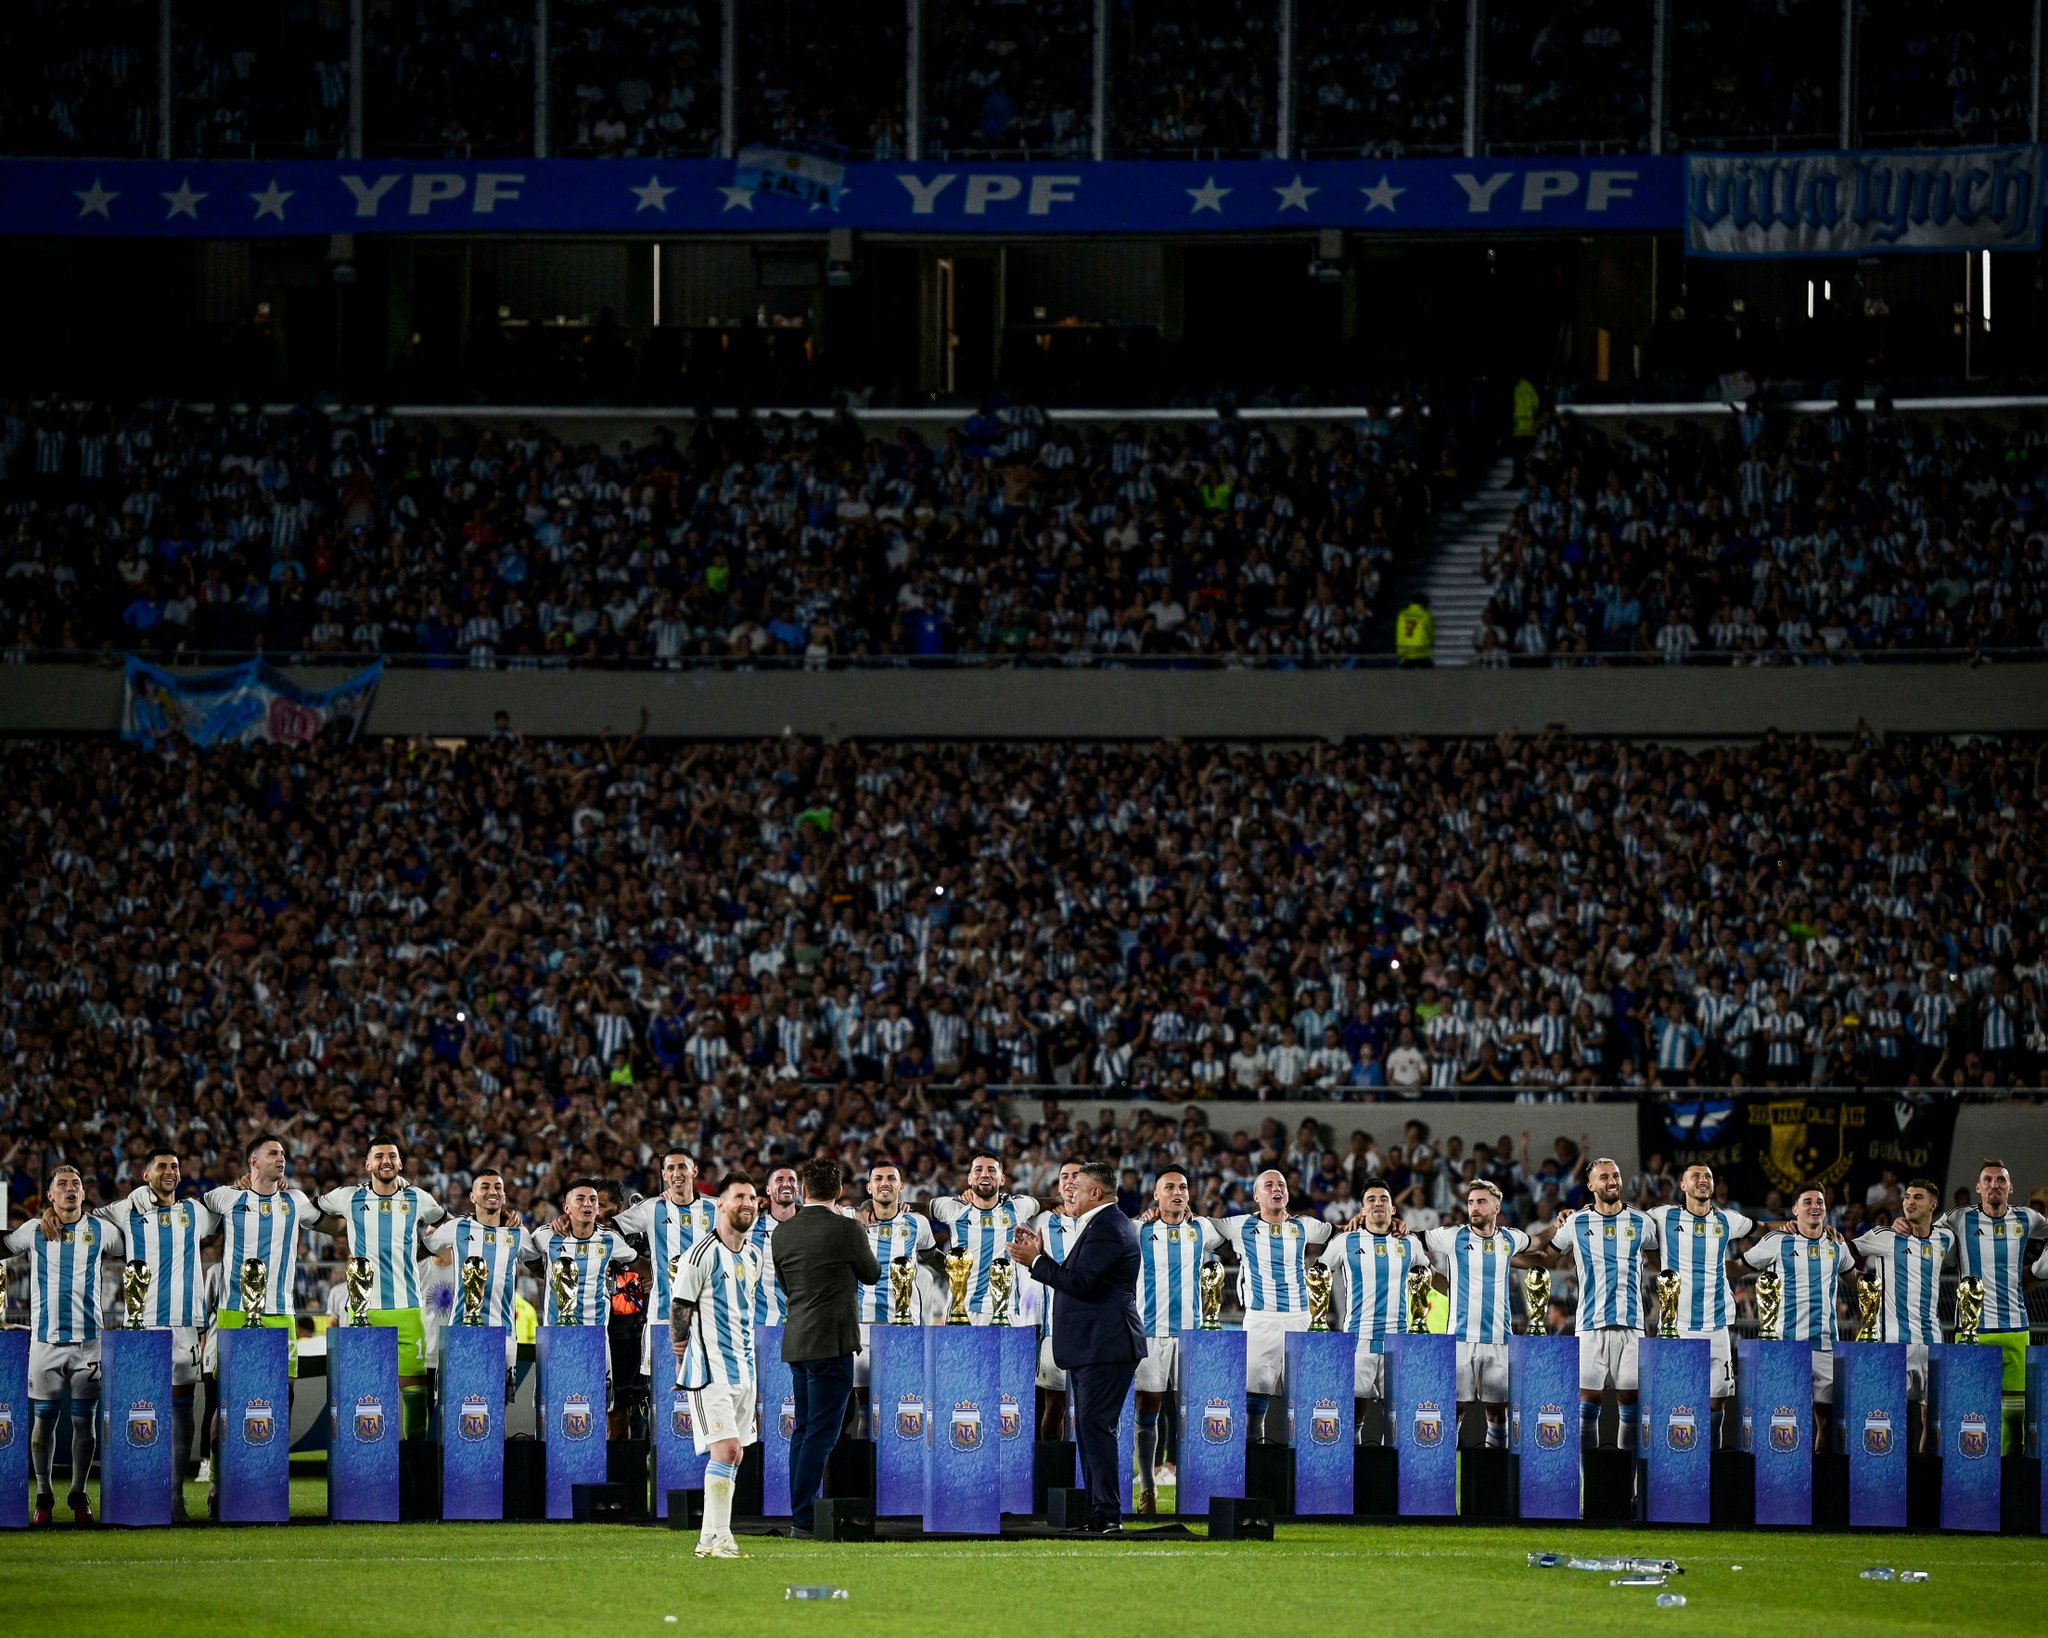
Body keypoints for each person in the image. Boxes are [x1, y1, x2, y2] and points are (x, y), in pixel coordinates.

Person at [201, 1134, 339, 1511]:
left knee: (284, 1395)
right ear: (253, 1163)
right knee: (225, 1400)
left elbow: (336, 1228)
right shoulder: (226, 1198)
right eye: (273, 1153)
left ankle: (266, 1473)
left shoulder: (295, 1201)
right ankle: (216, 1482)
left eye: (283, 1152)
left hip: (281, 1313)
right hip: (234, 1311)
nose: (282, 1158)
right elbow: (192, 1216)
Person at [1009, 1160, 1142, 1536]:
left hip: (1107, 1345)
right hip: (1096, 1345)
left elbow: (1080, 1284)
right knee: (1089, 1429)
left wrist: (1035, 1261)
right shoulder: (1103, 1224)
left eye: (1078, 1187)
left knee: (1096, 1428)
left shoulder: (1108, 1228)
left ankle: (1108, 1514)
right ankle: (1099, 1511)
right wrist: (1042, 1255)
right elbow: (1080, 1279)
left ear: (1095, 1193)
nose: (1070, 1192)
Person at [100, 1147, 218, 1519]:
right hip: (142, 1327)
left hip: (184, 1326)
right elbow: (87, 1221)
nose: (170, 1172)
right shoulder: (126, 1210)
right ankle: (136, 1493)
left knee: (180, 1412)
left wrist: (244, 1183)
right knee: (139, 1413)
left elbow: (230, 1208)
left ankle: (174, 1497)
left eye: (175, 1167)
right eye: (162, 1167)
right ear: (145, 1174)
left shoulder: (194, 1212)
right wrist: (54, 1215)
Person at [4, 1165, 125, 1526]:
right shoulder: (33, 1231)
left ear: (84, 1194)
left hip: (89, 1342)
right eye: (62, 1185)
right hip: (45, 1342)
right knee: (44, 1422)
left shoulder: (101, 1230)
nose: (71, 1189)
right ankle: (43, 1494)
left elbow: (137, 1243)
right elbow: (3, 1246)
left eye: (76, 1184)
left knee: (84, 1424)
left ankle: (78, 1491)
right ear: (50, 1196)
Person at [771, 1157, 880, 1538]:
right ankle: (802, 1519)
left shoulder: (781, 1233)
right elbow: (872, 1273)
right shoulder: (848, 1228)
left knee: (804, 1430)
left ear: (803, 1190)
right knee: (820, 1432)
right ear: (838, 1192)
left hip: (798, 1340)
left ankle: (799, 1513)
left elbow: (786, 1286)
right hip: (831, 1343)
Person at [313, 1135, 448, 1438]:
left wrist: (424, 1249)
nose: (385, 1161)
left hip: (408, 1308)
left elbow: (447, 1223)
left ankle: (413, 1466)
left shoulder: (418, 1198)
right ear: (367, 1164)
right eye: (379, 1156)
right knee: (363, 1391)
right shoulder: (348, 1197)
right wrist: (341, 1227)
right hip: (365, 1310)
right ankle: (366, 1462)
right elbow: (309, 1213)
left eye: (392, 1156)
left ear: (400, 1162)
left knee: (415, 1392)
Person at [1420, 1178, 1558, 1450]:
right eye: (1471, 1202)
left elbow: (1539, 1241)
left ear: (1496, 1207)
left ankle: (1492, 1478)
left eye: (1481, 1201)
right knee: (1453, 1410)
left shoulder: (1509, 1238)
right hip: (1460, 1340)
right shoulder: (1453, 1236)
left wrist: (1559, 1224)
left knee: (1497, 1413)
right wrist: (1396, 1225)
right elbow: (1415, 1238)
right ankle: (1445, 1478)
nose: (1474, 1207)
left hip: (1498, 1340)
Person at [672, 1173, 765, 1561]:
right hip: (710, 1371)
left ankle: (707, 1540)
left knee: (736, 1454)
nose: (748, 1203)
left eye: (753, 1197)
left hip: (745, 1369)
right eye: (739, 1196)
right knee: (725, 1449)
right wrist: (684, 1356)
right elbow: (680, 1309)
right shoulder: (700, 1254)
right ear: (721, 1205)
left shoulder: (755, 1255)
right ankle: (723, 1537)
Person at [1212, 1170, 1334, 1441]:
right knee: (1254, 1409)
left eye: (1281, 1184)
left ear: (1287, 1194)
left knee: (1306, 1404)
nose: (1276, 1188)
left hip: (1301, 1320)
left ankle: (1301, 1474)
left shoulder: (1305, 1226)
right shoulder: (1238, 1225)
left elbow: (1340, 1234)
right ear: (1256, 1196)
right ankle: (1256, 1474)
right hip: (1260, 1322)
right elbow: (1198, 1225)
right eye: (1268, 1185)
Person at [1549, 1157, 1660, 1450]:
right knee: (1586, 1405)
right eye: (1604, 1177)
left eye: (1616, 1175)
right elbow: (1549, 1254)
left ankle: (1628, 1486)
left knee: (1631, 1406)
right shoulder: (1576, 1221)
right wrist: (1509, 1253)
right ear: (1590, 1185)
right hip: (1590, 1326)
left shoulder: (1643, 1222)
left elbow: (1663, 1257)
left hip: (1632, 1326)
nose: (1612, 1181)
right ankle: (1591, 1487)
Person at [1643, 1163, 1757, 1448]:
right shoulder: (1663, 1216)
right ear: (1682, 1185)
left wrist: (1794, 1226)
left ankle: (1711, 1465)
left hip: (1717, 1325)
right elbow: (1626, 1222)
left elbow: (1762, 1226)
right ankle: (1675, 1470)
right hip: (1677, 1326)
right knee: (1675, 1403)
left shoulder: (1727, 1220)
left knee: (1716, 1403)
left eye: (1707, 1176)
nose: (1703, 1180)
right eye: (1695, 1176)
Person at [1937, 1160, 2046, 1454]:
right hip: (1972, 1330)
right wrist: (1901, 1223)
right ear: (1978, 1187)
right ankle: (1971, 1475)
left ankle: (2012, 1477)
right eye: (1988, 1180)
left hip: (2015, 1329)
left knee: (2015, 1413)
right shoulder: (1959, 1218)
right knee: (1969, 1408)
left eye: (2000, 1181)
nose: (1994, 1185)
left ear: (2010, 1188)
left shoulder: (2027, 1218)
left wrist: (2038, 1270)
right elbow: (1925, 1231)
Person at [1132, 1166, 1221, 1513]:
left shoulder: (1204, 1229)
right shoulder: (1138, 1230)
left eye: (1182, 1186)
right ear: (1156, 1195)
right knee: (1148, 1408)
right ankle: (1148, 1488)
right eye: (1169, 1187)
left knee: (1192, 1411)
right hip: (1150, 1333)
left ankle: (1195, 1488)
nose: (1177, 1192)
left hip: (1192, 1335)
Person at [1743, 1185, 1860, 1450]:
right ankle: (1787, 1483)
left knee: (1827, 1420)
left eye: (1819, 1201)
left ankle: (1818, 1483)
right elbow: (1738, 1268)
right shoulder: (1777, 1241)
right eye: (1807, 1202)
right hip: (1787, 1346)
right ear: (1795, 1210)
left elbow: (1856, 1282)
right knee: (1787, 1419)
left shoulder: (1836, 1245)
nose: (1815, 1206)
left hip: (1826, 1346)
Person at [1321, 1177, 1430, 1447]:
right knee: (1354, 1410)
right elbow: (1318, 1277)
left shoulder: (1410, 1244)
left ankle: (1391, 1473)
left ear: (1394, 1209)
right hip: (1358, 1342)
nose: (1378, 1203)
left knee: (1398, 1414)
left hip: (1399, 1341)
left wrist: (1455, 1288)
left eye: (1384, 1199)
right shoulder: (1344, 1242)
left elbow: (1427, 1275)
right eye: (1371, 1199)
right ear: (1362, 1210)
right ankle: (1355, 1471)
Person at [1853, 1176, 1955, 1452]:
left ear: (1933, 1205)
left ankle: (1926, 1481)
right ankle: (1891, 1482)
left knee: (1933, 1420)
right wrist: (1861, 1283)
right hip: (1894, 1343)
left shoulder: (1945, 1238)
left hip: (1932, 1341)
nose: (1909, 1202)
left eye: (1917, 1197)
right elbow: (1842, 1251)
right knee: (1889, 1418)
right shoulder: (1885, 1236)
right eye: (1907, 1196)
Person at [613, 1151, 718, 1384]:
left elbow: (748, 1218)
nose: (676, 1173)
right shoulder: (651, 1208)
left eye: (682, 1167)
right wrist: (634, 1261)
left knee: (708, 1391)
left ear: (694, 1171)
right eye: (670, 1168)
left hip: (707, 1319)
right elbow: (611, 1228)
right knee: (663, 1396)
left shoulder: (716, 1209)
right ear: (664, 1175)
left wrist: (760, 1203)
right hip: (662, 1318)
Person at [421, 1170, 533, 1372]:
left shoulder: (518, 1233)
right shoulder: (457, 1228)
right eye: (485, 1187)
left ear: (504, 1196)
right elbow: (420, 1251)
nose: (493, 1191)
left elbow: (543, 1265)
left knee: (496, 1402)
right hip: (460, 1332)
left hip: (503, 1333)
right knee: (458, 1401)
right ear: (472, 1196)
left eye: (498, 1187)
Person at [927, 1153, 1038, 1322]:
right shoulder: (954, 1208)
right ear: (970, 1179)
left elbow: (1049, 1203)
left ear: (1002, 1179)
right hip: (962, 1312)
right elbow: (907, 1208)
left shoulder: (1018, 1206)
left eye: (991, 1170)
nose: (985, 1174)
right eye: (978, 1170)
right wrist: (870, 1205)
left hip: (1007, 1312)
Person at [531, 1179, 640, 1342]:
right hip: (565, 1329)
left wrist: (650, 1279)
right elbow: (530, 1256)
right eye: (581, 1200)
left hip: (622, 1323)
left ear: (618, 1207)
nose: (588, 1205)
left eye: (597, 1203)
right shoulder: (551, 1234)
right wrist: (548, 1273)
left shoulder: (628, 1236)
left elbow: (642, 1263)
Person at [1029, 1162, 1085, 1439]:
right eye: (1065, 1176)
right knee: (1055, 1406)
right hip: (1055, 1331)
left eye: (1077, 1175)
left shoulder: (1101, 1219)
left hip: (1093, 1331)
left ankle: (1087, 1473)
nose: (1070, 1181)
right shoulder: (1044, 1222)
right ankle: (1050, 1470)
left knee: (1090, 1406)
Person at [749, 1165, 801, 1328]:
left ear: (798, 1189)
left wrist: (867, 1206)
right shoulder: (751, 1226)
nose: (787, 1184)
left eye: (791, 1180)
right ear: (768, 1190)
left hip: (805, 1327)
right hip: (764, 1325)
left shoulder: (812, 1223)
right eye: (780, 1180)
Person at [1395, 595, 1435, 668]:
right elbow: (1430, 632)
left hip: (1405, 650)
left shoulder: (1402, 614)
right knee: (1429, 675)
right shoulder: (1425, 615)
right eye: (1427, 604)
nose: (1428, 606)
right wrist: (1431, 644)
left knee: (1405, 677)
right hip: (1421, 650)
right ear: (1422, 603)